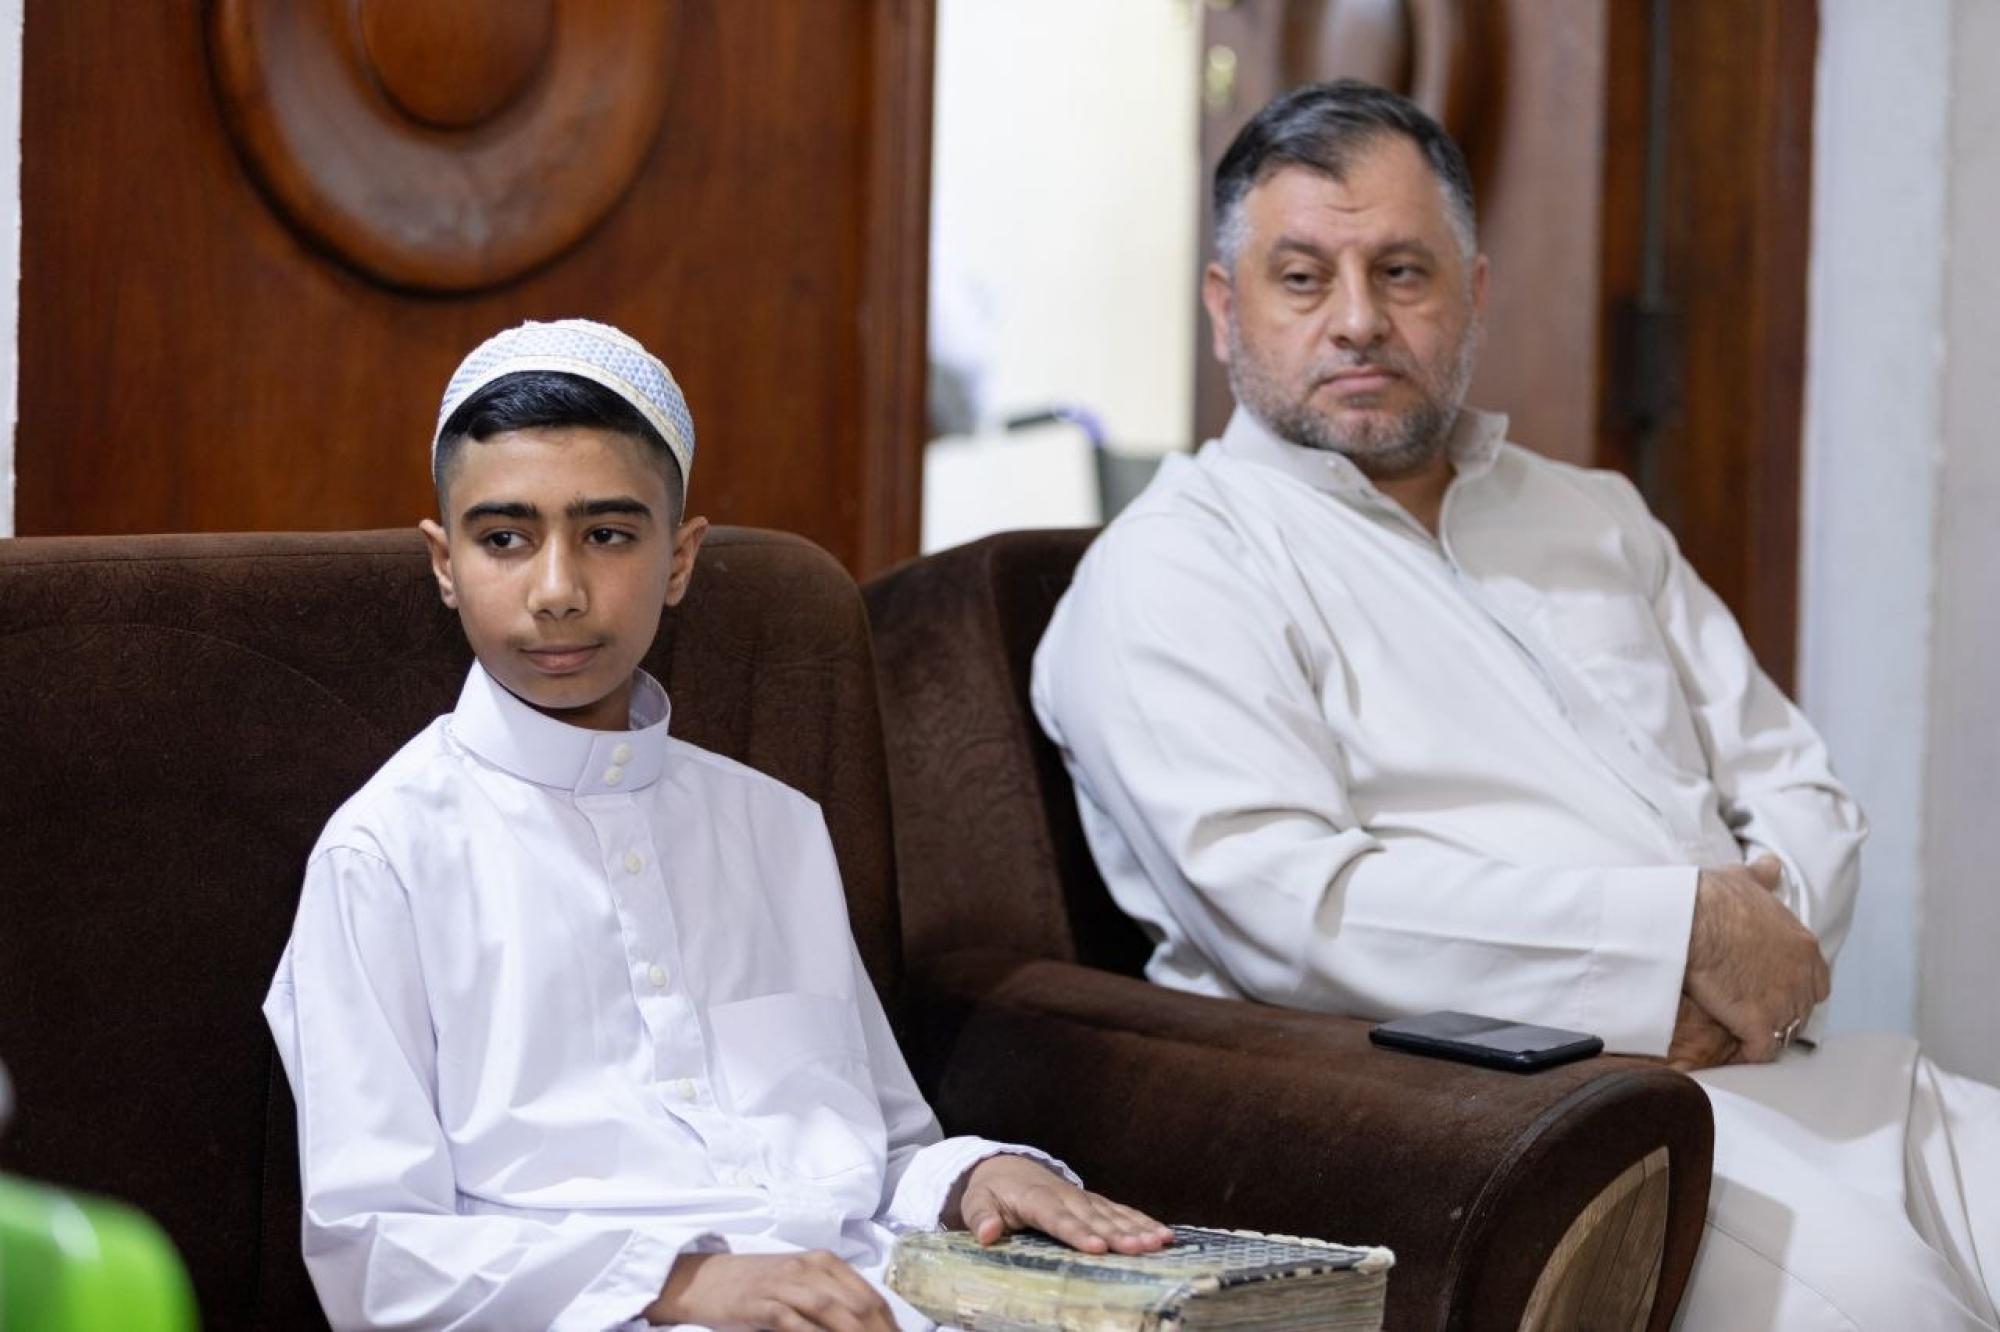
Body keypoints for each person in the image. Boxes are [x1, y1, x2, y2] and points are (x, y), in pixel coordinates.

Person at [1032, 81, 1997, 1331]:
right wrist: (1673, 945)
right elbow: (1287, 906)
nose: (1357, 321)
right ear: (1224, 308)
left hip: (1809, 1071)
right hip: (1539, 1124)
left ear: (1473, 292)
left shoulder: (1590, 513)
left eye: (1401, 272)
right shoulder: (1174, 567)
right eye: (1301, 279)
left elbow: (1792, 780)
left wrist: (1754, 960)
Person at [265, 318, 1172, 1332]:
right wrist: (681, 1283)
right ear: (444, 563)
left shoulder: (774, 825)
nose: (556, 592)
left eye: (608, 535)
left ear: (680, 557)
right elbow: (373, 1252)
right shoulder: (383, 855)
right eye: (505, 539)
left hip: (866, 1300)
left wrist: (975, 1178)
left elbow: (875, 1147)